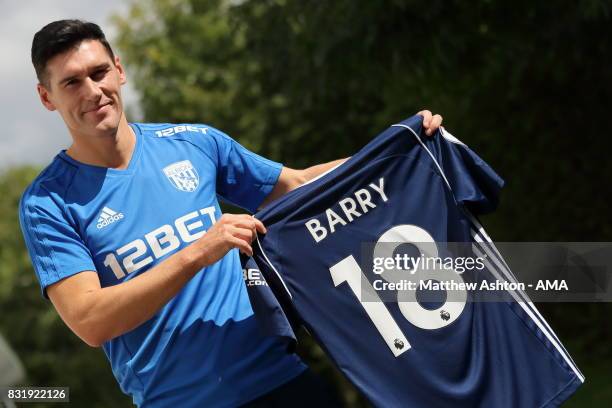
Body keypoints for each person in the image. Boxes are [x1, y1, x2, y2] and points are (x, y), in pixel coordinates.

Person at [19, 19, 443, 407]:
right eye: (71, 83)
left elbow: (297, 185)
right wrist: (197, 253)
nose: (92, 92)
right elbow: (90, 321)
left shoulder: (193, 142)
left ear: (119, 69)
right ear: (47, 97)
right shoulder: (47, 202)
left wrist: (402, 145)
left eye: (98, 73)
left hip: (285, 383)